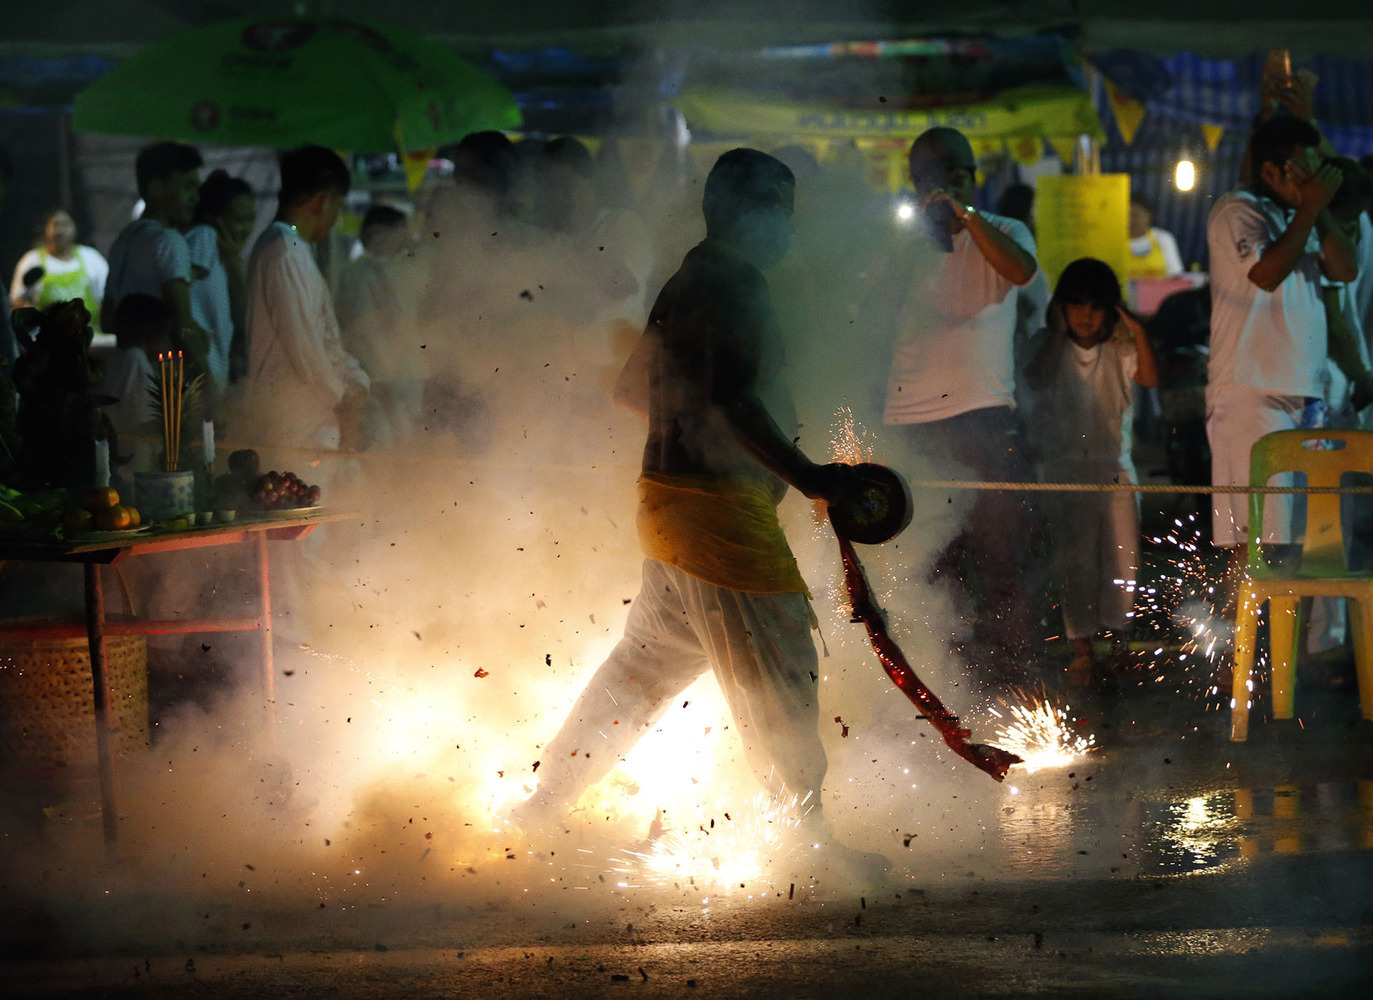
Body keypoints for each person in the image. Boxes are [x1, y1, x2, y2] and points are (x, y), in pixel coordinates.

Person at [513, 149, 881, 876]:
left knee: (638, 675)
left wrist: (687, 435)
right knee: (779, 674)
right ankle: (808, 851)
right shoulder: (734, 282)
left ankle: (541, 804)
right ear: (744, 212)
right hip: (720, 521)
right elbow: (732, 398)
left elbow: (630, 389)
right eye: (779, 206)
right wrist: (808, 476)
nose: (789, 225)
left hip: (666, 507)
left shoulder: (685, 278)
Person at [882, 126, 1042, 679]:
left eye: (961, 170)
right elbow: (863, 311)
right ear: (914, 181)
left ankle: (1021, 689)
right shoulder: (898, 242)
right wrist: (915, 240)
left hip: (985, 419)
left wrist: (967, 217)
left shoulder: (1004, 228)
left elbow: (1021, 270)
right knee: (929, 570)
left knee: (1004, 561)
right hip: (912, 425)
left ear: (975, 176)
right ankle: (949, 696)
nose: (950, 180)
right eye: (936, 172)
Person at [1206, 116, 1357, 596]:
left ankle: (1294, 663)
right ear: (1272, 170)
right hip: (1251, 391)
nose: (1313, 182)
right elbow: (1265, 275)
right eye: (1303, 170)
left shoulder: (1304, 214)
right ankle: (1239, 659)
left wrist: (1317, 208)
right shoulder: (1237, 211)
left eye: (1317, 172)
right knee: (1254, 542)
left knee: (1301, 541)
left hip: (1305, 394)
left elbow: (1346, 269)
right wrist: (1309, 210)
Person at [1025, 259, 1158, 686]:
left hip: (1116, 467)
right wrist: (1058, 334)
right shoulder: (1048, 344)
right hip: (1064, 469)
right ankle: (1082, 648)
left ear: (1111, 310)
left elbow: (1152, 379)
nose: (1085, 316)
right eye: (1075, 305)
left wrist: (1136, 330)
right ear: (1060, 307)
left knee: (1124, 559)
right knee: (1075, 560)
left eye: (1095, 307)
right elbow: (1036, 377)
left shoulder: (1120, 345)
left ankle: (1119, 644)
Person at [241, 145, 368, 455]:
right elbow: (306, 350)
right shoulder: (284, 251)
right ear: (322, 202)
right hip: (295, 431)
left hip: (308, 426)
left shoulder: (293, 247)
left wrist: (357, 381)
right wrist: (343, 399)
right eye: (337, 207)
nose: (336, 218)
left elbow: (323, 341)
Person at [101, 142, 211, 380]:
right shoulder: (170, 241)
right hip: (163, 384)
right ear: (156, 188)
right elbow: (183, 327)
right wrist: (211, 387)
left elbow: (107, 319)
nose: (196, 197)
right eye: (188, 187)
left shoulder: (124, 241)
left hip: (129, 377)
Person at [335, 204, 417, 446]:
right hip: (377, 385)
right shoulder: (359, 275)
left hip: (398, 384)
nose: (406, 238)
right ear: (376, 233)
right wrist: (382, 381)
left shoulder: (397, 270)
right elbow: (364, 334)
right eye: (400, 231)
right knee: (383, 448)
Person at [185, 170, 256, 390]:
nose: (246, 229)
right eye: (238, 220)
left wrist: (234, 260)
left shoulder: (226, 259)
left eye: (251, 219)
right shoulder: (203, 237)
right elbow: (177, 292)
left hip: (213, 382)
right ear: (213, 219)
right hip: (198, 384)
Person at [9, 209, 110, 330]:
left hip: (90, 339)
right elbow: (16, 302)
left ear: (75, 228)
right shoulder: (31, 260)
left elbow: (107, 300)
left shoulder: (92, 258)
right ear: (45, 229)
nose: (60, 231)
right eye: (55, 225)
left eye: (66, 225)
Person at [1125, 194, 1185, 279]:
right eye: (1126, 214)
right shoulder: (1114, 241)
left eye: (1135, 214)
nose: (1131, 220)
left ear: (1149, 215)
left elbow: (1176, 274)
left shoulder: (1163, 238)